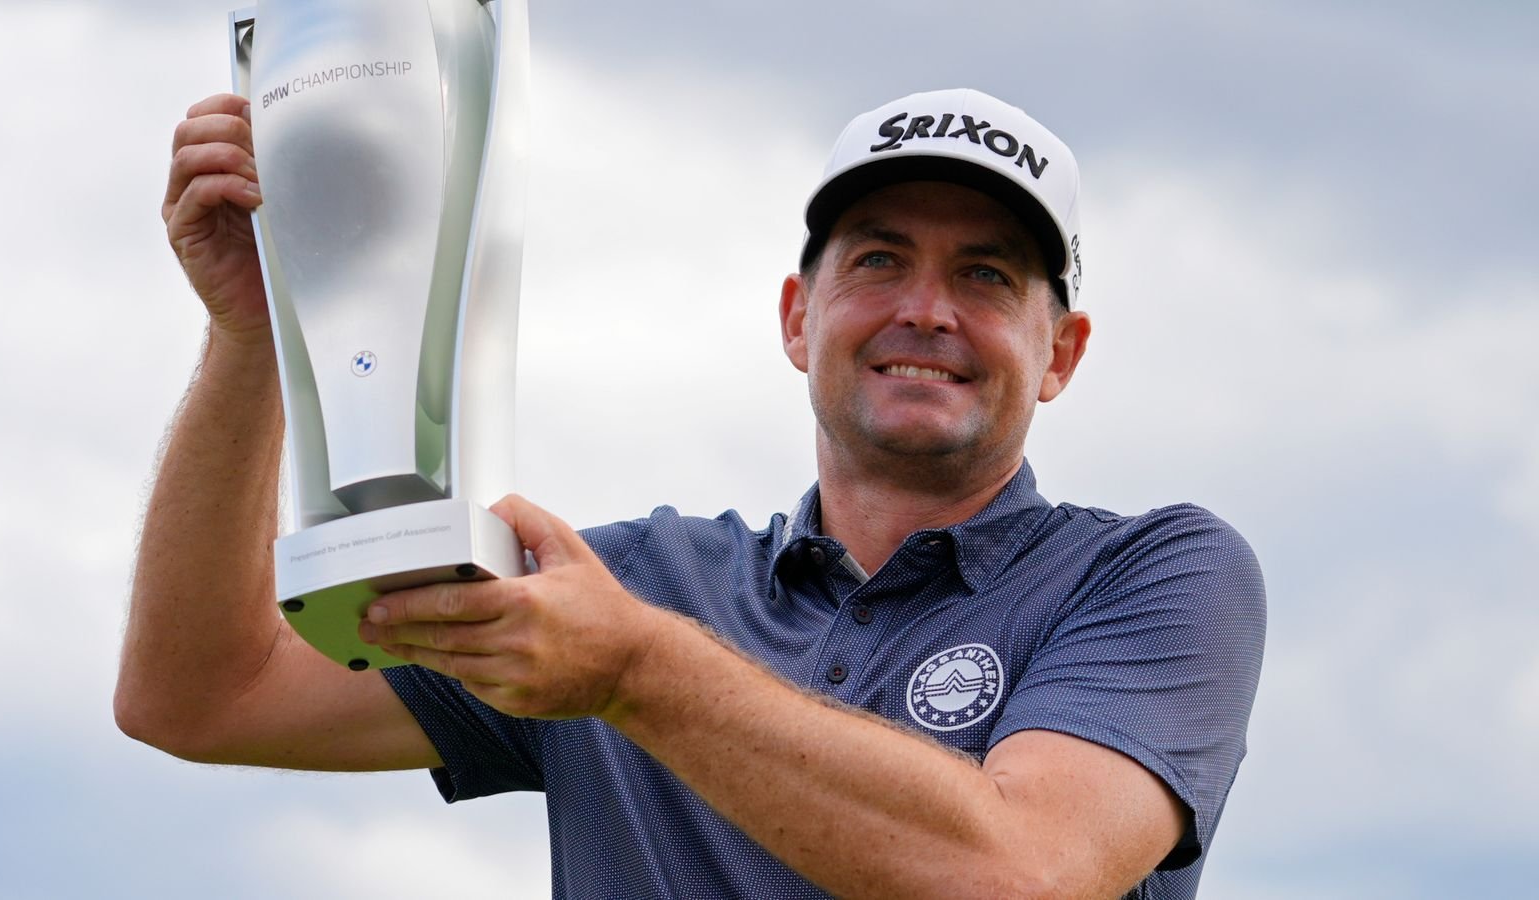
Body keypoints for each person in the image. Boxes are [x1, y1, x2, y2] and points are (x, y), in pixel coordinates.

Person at [119, 87, 1266, 899]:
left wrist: (632, 673)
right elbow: (201, 696)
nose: (927, 308)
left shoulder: (1155, 574)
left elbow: (1020, 873)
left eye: (985, 274)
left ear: (1058, 352)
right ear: (796, 318)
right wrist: (253, 337)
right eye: (876, 259)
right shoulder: (625, 587)